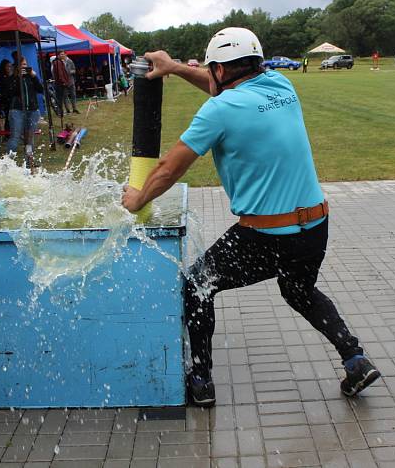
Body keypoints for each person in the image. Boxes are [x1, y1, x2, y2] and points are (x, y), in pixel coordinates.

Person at [121, 27, 379, 407]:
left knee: (197, 285)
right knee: (299, 291)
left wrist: (137, 197)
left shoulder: (218, 110)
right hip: (315, 225)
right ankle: (355, 359)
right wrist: (175, 67)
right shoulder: (280, 85)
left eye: (212, 71)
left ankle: (202, 379)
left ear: (220, 72)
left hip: (267, 236)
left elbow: (169, 169)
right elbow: (221, 87)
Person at [5, 56, 44, 168]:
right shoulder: (12, 78)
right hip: (17, 110)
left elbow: (41, 89)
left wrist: (34, 76)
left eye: (26, 65)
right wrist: (18, 78)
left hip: (32, 110)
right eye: (22, 65)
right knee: (15, 137)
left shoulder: (30, 77)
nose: (25, 67)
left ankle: (29, 161)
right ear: (17, 66)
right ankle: (8, 163)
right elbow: (10, 92)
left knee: (29, 138)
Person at [0, 60, 14, 132]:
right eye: (8, 66)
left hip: (6, 98)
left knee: (9, 116)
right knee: (6, 116)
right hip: (3, 99)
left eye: (10, 66)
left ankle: (7, 132)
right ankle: (6, 133)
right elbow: (5, 87)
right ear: (4, 67)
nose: (9, 68)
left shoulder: (6, 76)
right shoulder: (1, 76)